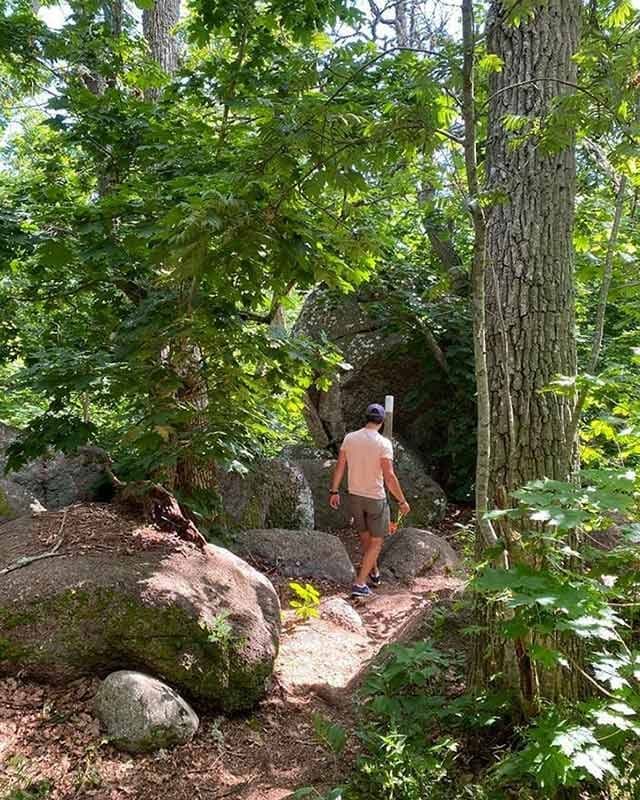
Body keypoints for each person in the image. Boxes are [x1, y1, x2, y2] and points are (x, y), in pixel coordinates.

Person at [328, 403, 410, 598]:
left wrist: (334, 491)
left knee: (366, 538)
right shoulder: (383, 444)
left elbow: (340, 466)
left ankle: (373, 572)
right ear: (381, 422)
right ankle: (360, 583)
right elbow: (389, 476)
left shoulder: (350, 438)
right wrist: (402, 501)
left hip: (354, 495)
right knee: (376, 542)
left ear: (365, 418)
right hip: (375, 498)